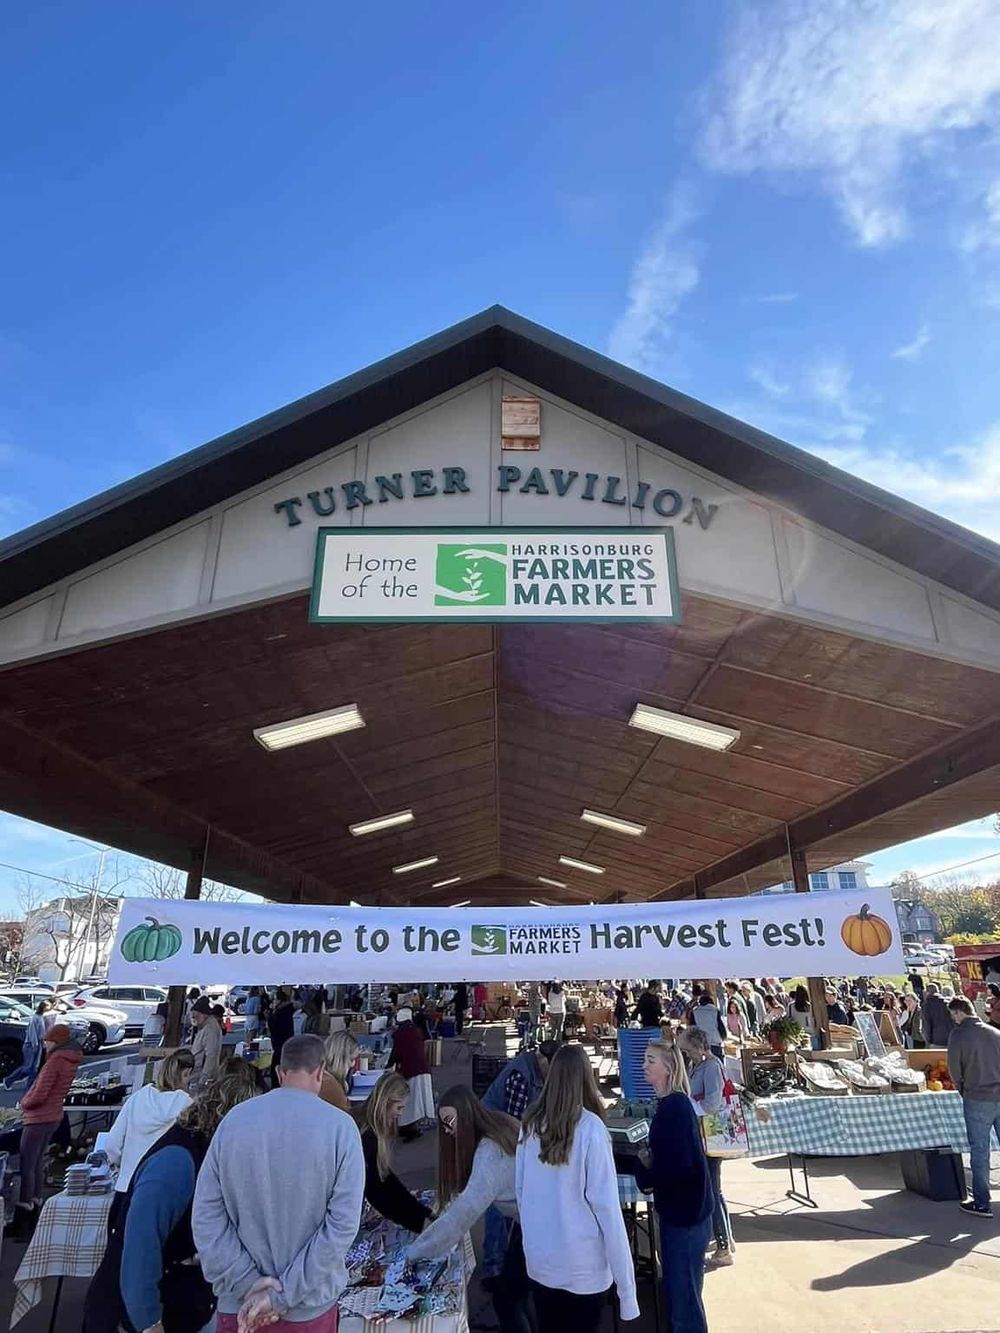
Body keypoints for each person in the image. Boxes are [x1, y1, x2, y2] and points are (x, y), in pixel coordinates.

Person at [193, 1034, 365, 1333]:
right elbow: (341, 1226)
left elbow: (206, 1217)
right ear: (321, 1073)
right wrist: (281, 1294)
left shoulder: (233, 1121)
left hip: (240, 1304)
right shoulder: (341, 1128)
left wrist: (248, 1282)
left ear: (279, 1073)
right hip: (308, 1309)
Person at [83, 1064, 257, 1333]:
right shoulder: (175, 1164)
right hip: (139, 1313)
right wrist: (150, 1323)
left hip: (183, 1300)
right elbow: (140, 1251)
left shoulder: (205, 1152)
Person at [516, 1044, 639, 1328]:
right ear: (586, 1077)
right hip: (584, 1269)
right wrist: (627, 1291)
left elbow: (521, 1193)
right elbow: (608, 1212)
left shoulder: (530, 1124)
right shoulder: (591, 1129)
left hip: (541, 1263)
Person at [407, 1086, 533, 1333]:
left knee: (508, 1298)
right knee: (515, 1294)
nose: (447, 1129)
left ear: (465, 1115)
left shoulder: (489, 1152)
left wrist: (415, 1252)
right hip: (533, 1223)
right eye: (443, 1124)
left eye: (449, 1121)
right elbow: (462, 1201)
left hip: (538, 1227)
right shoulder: (496, 1124)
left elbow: (462, 1214)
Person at [632, 1041, 714, 1333]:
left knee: (684, 1303)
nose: (644, 1066)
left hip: (685, 1218)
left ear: (667, 1069)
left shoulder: (674, 1109)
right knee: (683, 1294)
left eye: (650, 1061)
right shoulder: (672, 1104)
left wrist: (644, 1169)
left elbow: (676, 1168)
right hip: (684, 1214)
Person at [5, 1024, 82, 1239]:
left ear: (56, 1041)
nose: (44, 1043)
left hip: (39, 1118)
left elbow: (40, 1093)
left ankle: (25, 1216)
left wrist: (24, 1103)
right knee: (37, 1163)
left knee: (27, 1165)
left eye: (47, 1040)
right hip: (54, 1116)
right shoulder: (70, 1060)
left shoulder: (55, 1061)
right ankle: (35, 1207)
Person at [104, 1048, 195, 1230]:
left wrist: (124, 1166)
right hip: (165, 1190)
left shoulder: (137, 1098)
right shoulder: (187, 1104)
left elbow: (112, 1145)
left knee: (119, 1251)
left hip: (127, 1186)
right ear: (186, 1074)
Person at [677, 1025, 734, 1266]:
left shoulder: (710, 1066)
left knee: (712, 1189)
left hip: (710, 1135)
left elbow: (712, 1103)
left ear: (699, 1046)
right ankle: (725, 1240)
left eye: (688, 1049)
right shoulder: (698, 1065)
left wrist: (686, 1107)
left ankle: (722, 1247)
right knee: (714, 1189)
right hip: (703, 1135)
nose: (685, 1054)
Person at [358, 1071, 433, 1233]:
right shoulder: (368, 1137)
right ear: (386, 1102)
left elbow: (385, 1177)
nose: (400, 1113)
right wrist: (419, 1220)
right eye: (399, 1107)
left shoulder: (369, 1127)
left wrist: (422, 1213)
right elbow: (378, 1189)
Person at [946, 996, 1000, 1219]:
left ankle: (982, 1203)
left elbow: (954, 1069)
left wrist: (963, 1089)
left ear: (958, 1013)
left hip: (977, 1096)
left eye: (953, 1015)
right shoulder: (995, 1033)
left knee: (979, 1152)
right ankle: (982, 1203)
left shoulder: (958, 1035)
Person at [387, 1006, 434, 1139]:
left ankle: (409, 1127)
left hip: (410, 1069)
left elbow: (396, 1052)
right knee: (419, 1099)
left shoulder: (400, 1033)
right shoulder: (416, 1030)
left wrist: (389, 1065)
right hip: (422, 1067)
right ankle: (414, 1126)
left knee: (410, 1100)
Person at [4, 999, 48, 1089]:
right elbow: (32, 1033)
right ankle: (9, 1080)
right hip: (30, 1044)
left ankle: (30, 1086)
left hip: (38, 1044)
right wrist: (35, 1045)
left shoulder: (41, 1018)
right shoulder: (35, 1018)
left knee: (34, 1068)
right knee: (27, 1067)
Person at [189, 997, 223, 1091]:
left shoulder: (210, 1029)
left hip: (201, 1076)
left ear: (204, 1015)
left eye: (196, 1016)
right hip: (199, 1074)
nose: (194, 1019)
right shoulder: (205, 1026)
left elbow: (211, 1056)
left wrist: (203, 1080)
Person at [321, 1030, 359, 1112]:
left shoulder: (321, 1077)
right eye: (352, 1059)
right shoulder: (330, 1086)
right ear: (341, 1058)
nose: (353, 1064)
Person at [267, 988, 296, 1085]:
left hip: (279, 1044)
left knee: (276, 1068)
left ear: (278, 1000)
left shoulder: (280, 1013)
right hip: (287, 1043)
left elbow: (275, 1028)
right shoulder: (288, 1011)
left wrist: (269, 1017)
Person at [692, 991, 727, 1060]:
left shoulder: (695, 1012)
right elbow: (721, 1027)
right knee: (718, 1065)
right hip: (715, 1043)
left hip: (701, 1044)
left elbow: (692, 1028)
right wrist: (723, 1037)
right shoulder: (715, 1011)